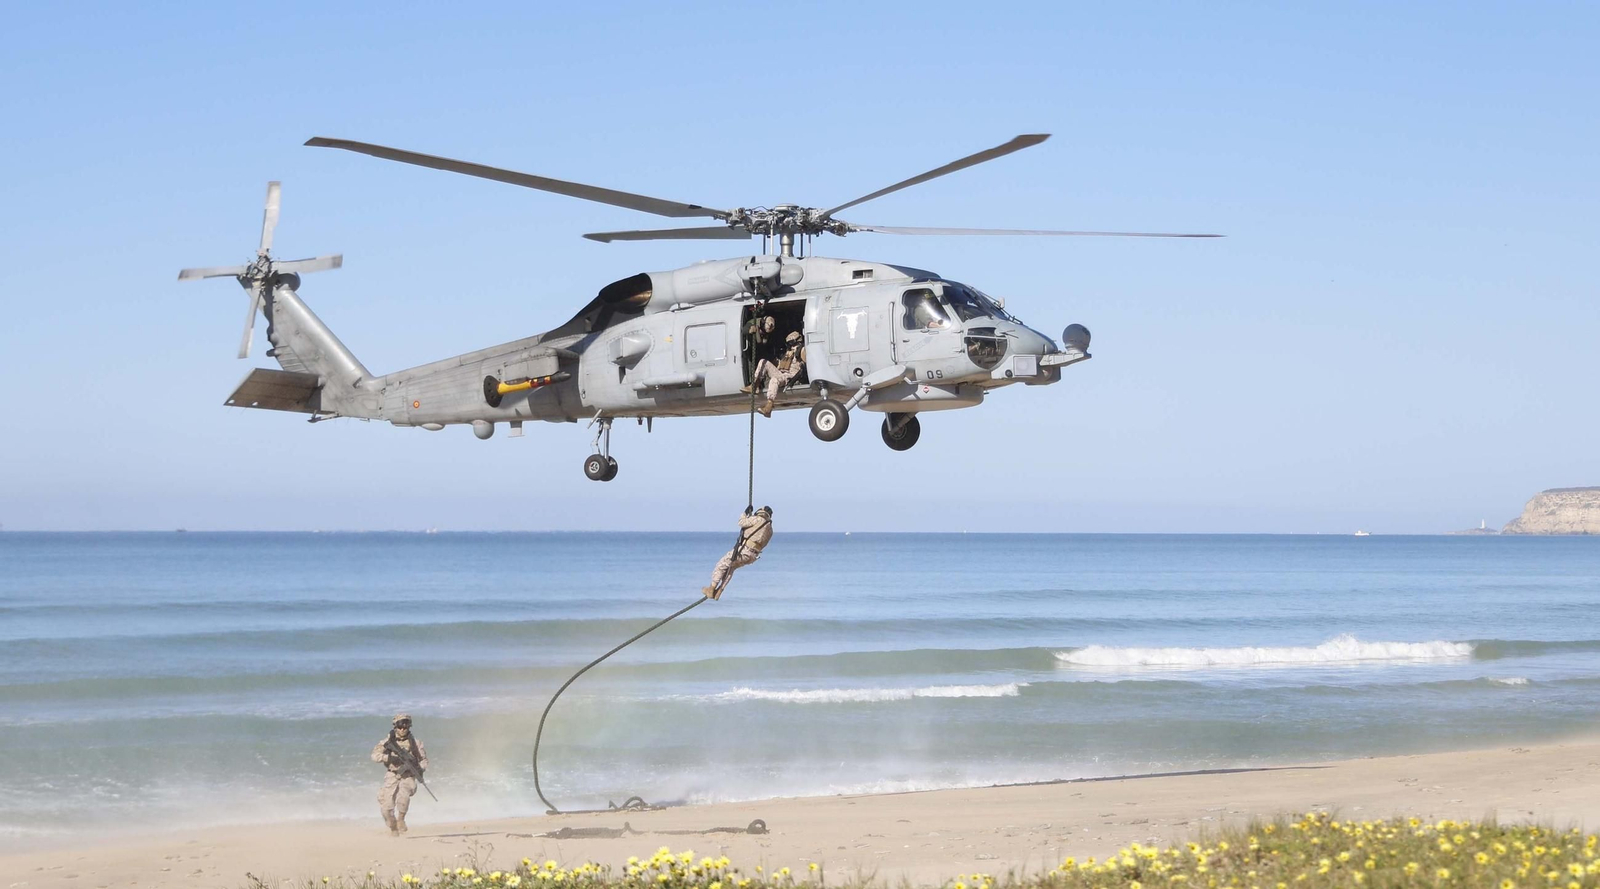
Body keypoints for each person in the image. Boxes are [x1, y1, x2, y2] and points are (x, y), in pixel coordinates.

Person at [370, 713, 428, 836]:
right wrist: (389, 758)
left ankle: (401, 819)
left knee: (403, 797)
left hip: (408, 775)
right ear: (395, 726)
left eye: (405, 727)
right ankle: (393, 827)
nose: (402, 729)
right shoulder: (387, 742)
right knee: (386, 807)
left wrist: (419, 768)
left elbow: (423, 760)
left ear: (409, 727)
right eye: (400, 726)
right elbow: (374, 756)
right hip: (392, 775)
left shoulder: (416, 743)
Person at [703, 505, 773, 600]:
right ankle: (719, 591)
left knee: (722, 564)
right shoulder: (770, 530)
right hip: (753, 556)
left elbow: (741, 522)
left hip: (744, 551)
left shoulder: (757, 519)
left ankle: (711, 589)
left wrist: (745, 513)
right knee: (731, 568)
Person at [746, 331, 805, 418]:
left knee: (774, 380)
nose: (790, 346)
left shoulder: (802, 350)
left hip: (790, 376)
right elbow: (781, 364)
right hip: (781, 372)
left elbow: (805, 365)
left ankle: (769, 406)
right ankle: (755, 385)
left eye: (791, 343)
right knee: (763, 362)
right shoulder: (788, 353)